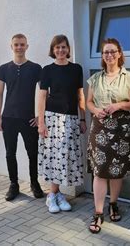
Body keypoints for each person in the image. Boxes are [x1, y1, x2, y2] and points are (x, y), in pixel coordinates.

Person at [86, 38, 130, 234]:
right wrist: (95, 110)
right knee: (100, 171)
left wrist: (118, 105)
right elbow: (89, 102)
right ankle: (98, 212)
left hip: (121, 129)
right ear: (102, 56)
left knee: (117, 170)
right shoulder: (95, 79)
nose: (109, 55)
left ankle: (114, 204)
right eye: (105, 52)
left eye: (112, 51)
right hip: (100, 128)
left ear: (119, 54)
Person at [37, 34, 87, 213]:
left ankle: (58, 194)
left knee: (66, 156)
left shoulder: (76, 69)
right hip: (52, 118)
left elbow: (80, 95)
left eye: (63, 47)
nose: (60, 50)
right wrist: (41, 122)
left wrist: (82, 118)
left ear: (68, 49)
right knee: (54, 156)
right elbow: (42, 96)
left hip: (72, 118)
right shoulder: (47, 70)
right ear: (53, 50)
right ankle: (52, 195)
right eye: (57, 47)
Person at [0, 33, 44, 201]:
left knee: (33, 153)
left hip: (28, 119)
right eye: (16, 44)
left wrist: (39, 116)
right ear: (11, 46)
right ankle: (13, 185)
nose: (19, 47)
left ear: (27, 46)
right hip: (8, 118)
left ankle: (34, 183)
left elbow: (44, 93)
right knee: (10, 153)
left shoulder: (36, 68)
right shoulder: (4, 69)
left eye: (22, 44)